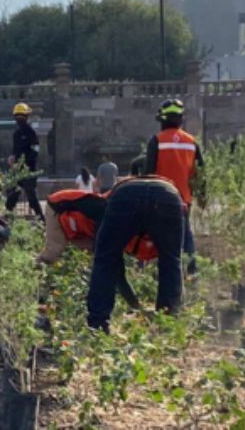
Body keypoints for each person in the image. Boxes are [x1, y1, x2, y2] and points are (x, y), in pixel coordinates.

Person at [86, 176, 186, 332]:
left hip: (125, 196)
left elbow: (108, 258)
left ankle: (98, 325)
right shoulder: (167, 186)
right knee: (171, 261)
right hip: (168, 196)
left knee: (105, 259)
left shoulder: (111, 196)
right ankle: (168, 323)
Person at [144, 99, 204, 275]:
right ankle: (192, 270)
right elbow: (200, 172)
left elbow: (148, 172)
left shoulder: (157, 141)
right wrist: (202, 196)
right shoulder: (191, 142)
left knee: (159, 235)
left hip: (160, 197)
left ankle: (161, 272)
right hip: (184, 199)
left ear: (162, 119)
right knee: (185, 233)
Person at [37, 188, 158, 266]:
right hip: (57, 206)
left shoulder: (109, 213)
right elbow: (101, 243)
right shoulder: (102, 211)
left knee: (92, 249)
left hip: (75, 222)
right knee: (55, 249)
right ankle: (33, 272)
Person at [6, 103, 46, 221]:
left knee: (31, 197)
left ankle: (41, 220)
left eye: (21, 116)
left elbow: (35, 150)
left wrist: (26, 164)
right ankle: (9, 218)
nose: (20, 119)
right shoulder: (17, 134)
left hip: (28, 170)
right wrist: (13, 158)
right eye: (18, 117)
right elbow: (16, 151)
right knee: (12, 197)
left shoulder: (31, 133)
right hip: (18, 170)